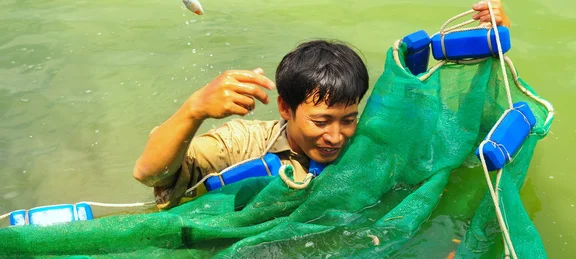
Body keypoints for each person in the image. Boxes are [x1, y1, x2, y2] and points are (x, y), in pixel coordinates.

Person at [133, 1, 511, 210]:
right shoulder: (240, 143)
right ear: (285, 108)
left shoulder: (368, 143)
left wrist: (493, 37)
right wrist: (194, 110)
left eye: (348, 119)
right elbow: (151, 174)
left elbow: (457, 139)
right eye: (321, 121)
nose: (336, 136)